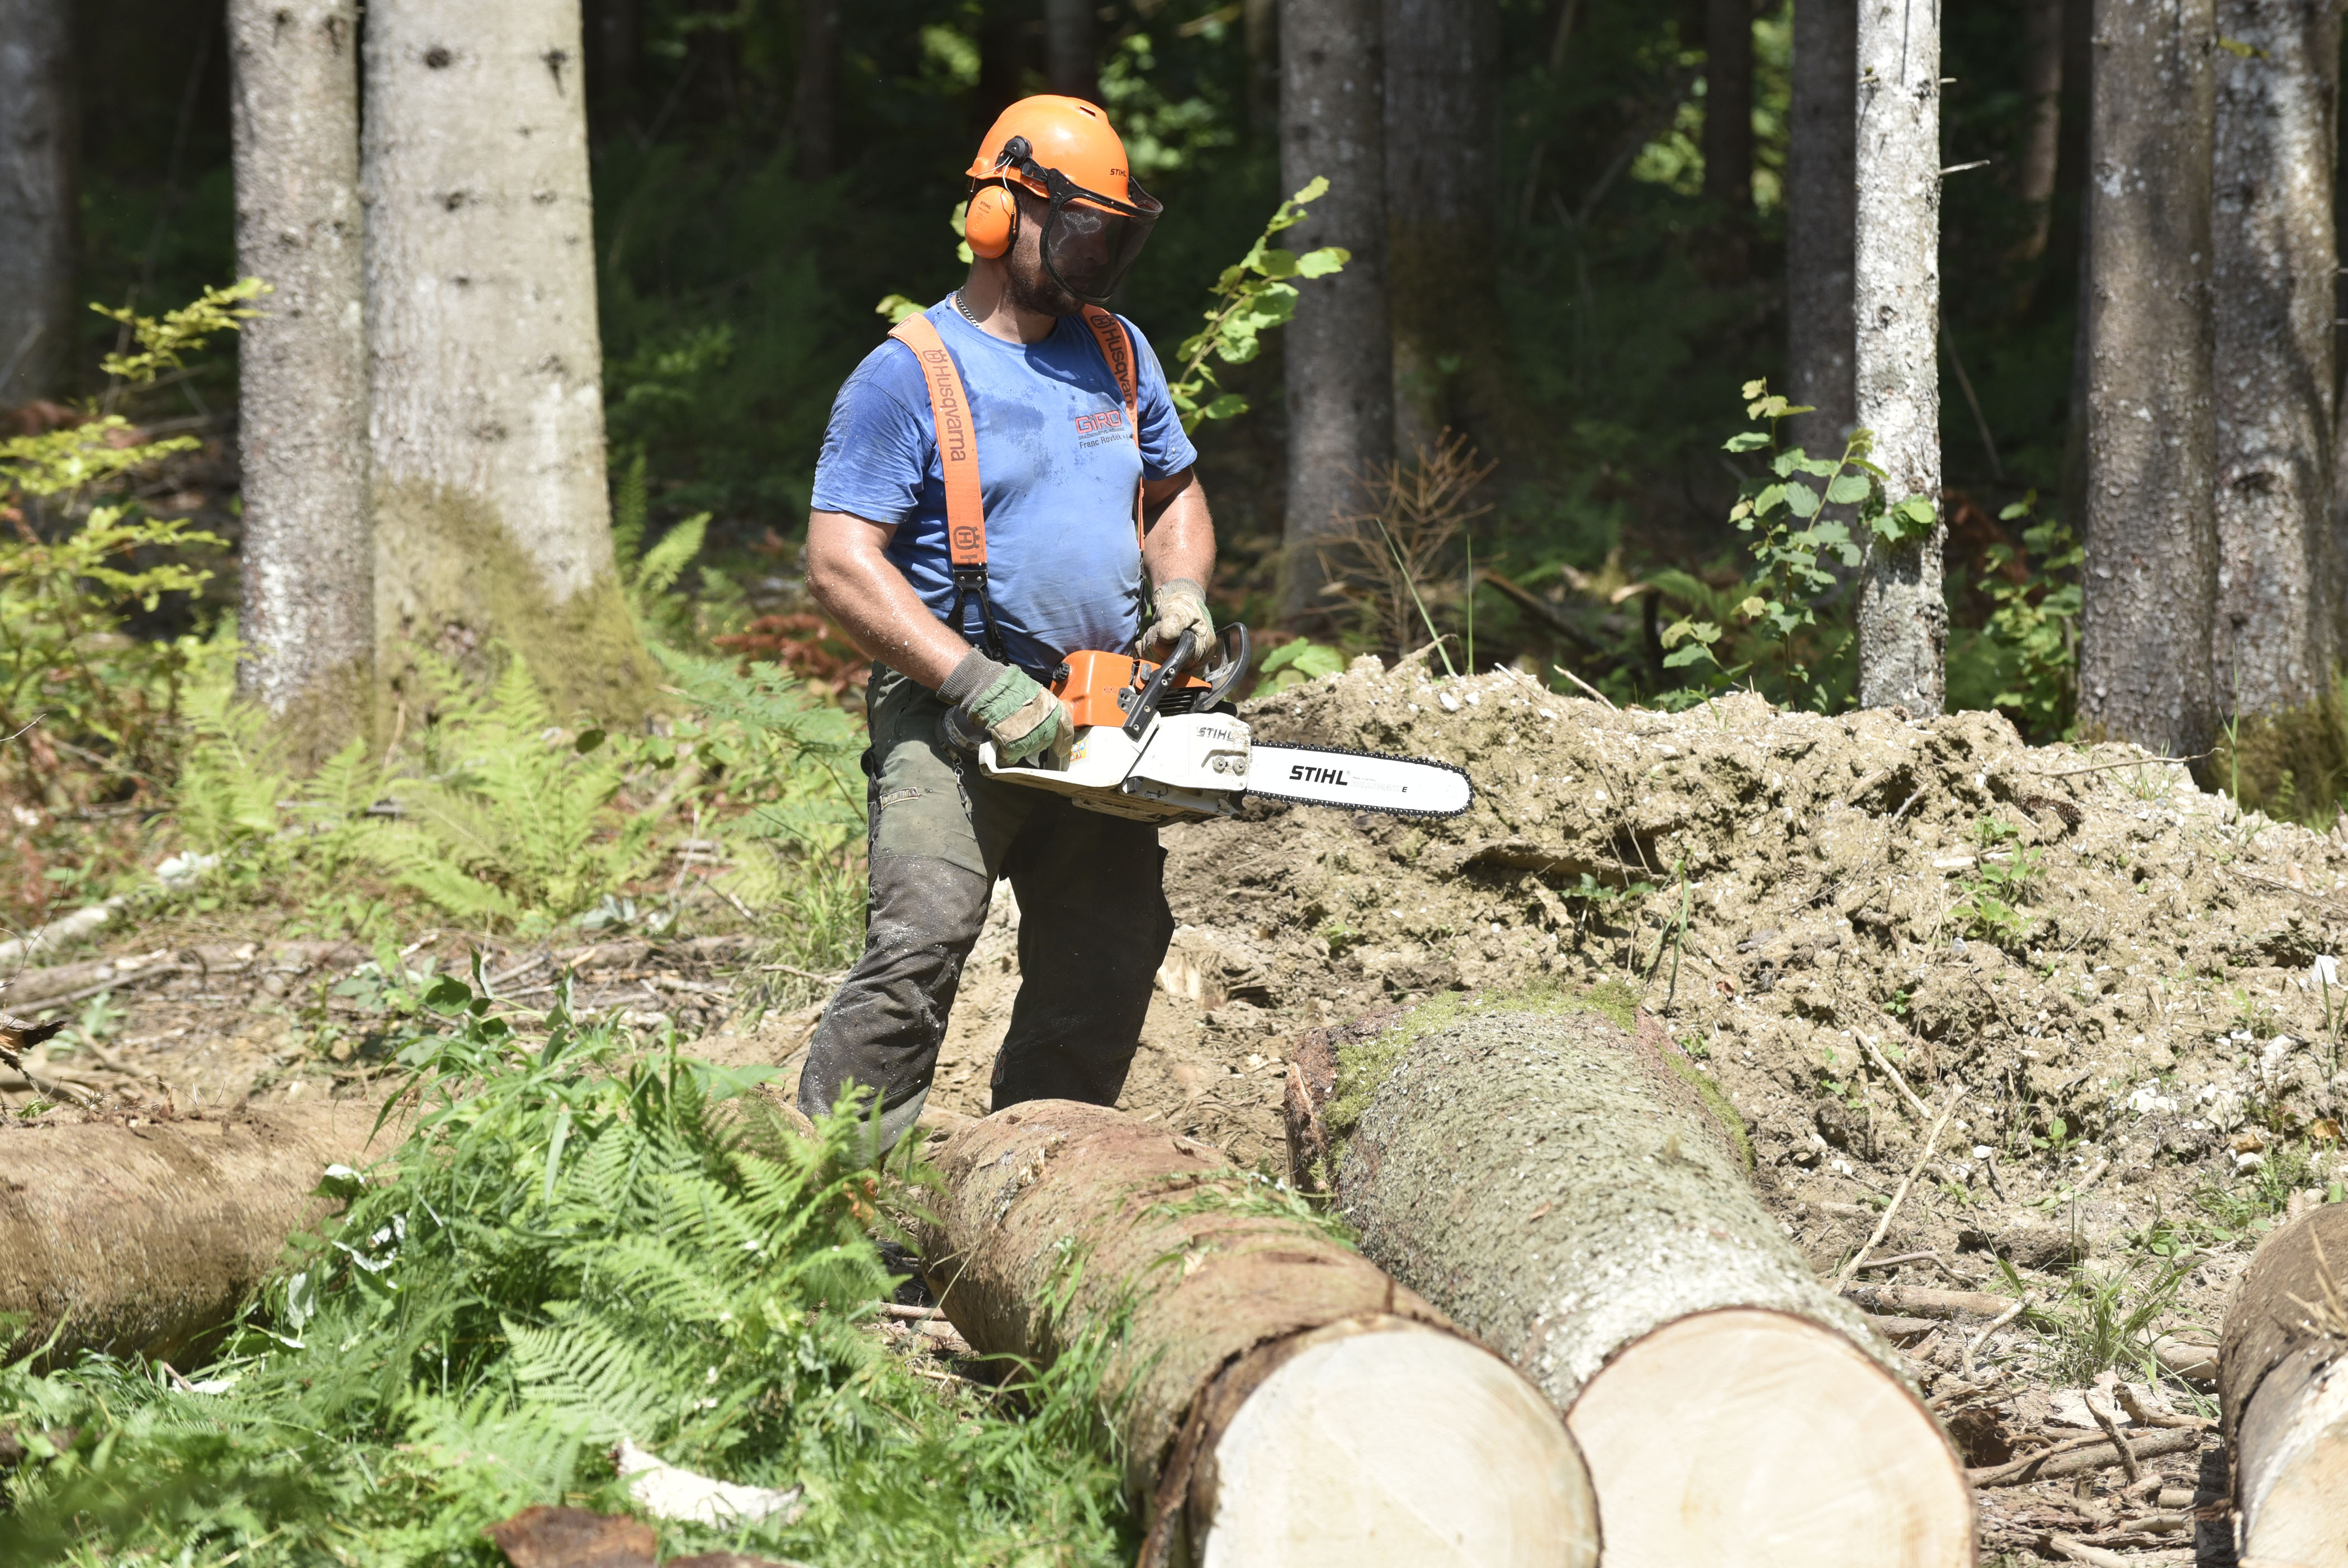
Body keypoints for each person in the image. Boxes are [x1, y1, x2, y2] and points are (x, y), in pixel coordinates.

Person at [795, 95, 1218, 1153]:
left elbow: (1173, 495)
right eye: (1076, 229)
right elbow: (842, 563)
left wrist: (1183, 593)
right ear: (996, 216)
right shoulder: (908, 374)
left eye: (1111, 236)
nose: (1094, 258)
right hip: (954, 710)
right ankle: (836, 1204)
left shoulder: (1119, 352)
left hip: (1097, 706)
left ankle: (1029, 1176)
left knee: (1110, 947)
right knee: (923, 939)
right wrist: (975, 680)